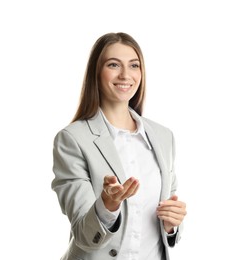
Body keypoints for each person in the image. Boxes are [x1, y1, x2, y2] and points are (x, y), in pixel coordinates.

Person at [51, 32, 187, 260]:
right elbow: (84, 234)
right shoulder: (72, 139)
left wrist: (171, 225)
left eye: (134, 65)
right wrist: (108, 205)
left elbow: (167, 214)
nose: (126, 75)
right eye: (114, 65)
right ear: (96, 72)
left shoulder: (164, 137)